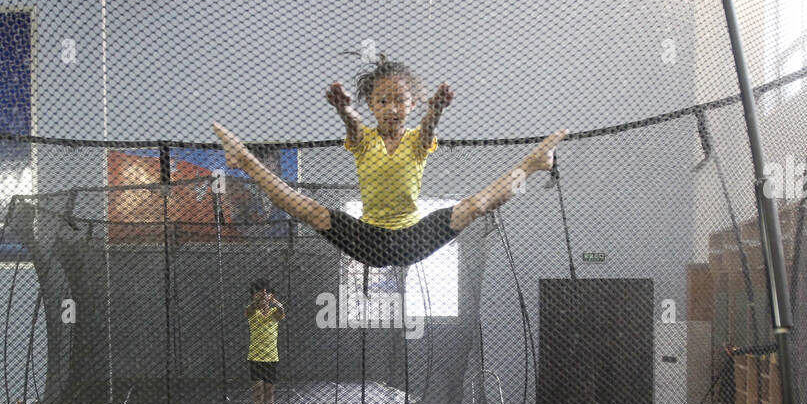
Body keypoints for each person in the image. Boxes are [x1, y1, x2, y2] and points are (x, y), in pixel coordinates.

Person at [212, 54, 567, 268]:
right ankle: (244, 160)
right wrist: (342, 107)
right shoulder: (363, 140)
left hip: (413, 237)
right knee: (308, 210)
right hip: (368, 239)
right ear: (372, 106)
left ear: (412, 104)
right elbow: (352, 122)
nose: (392, 109)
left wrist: (437, 110)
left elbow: (427, 129)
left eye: (400, 101)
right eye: (383, 102)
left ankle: (535, 162)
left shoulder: (416, 141)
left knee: (474, 206)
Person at [245, 279, 284, 404]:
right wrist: (257, 300)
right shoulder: (251, 311)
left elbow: (282, 311)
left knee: (269, 395)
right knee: (258, 394)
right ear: (253, 295)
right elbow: (249, 310)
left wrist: (273, 301)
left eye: (267, 292)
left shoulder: (275, 312)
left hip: (272, 359)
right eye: (260, 292)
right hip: (255, 358)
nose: (263, 295)